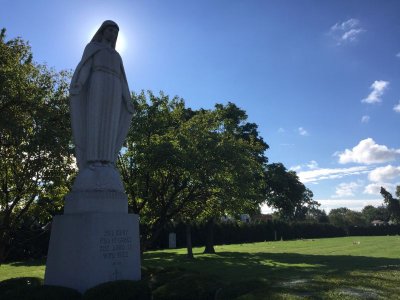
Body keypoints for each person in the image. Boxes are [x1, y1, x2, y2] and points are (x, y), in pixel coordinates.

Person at [69, 20, 134, 170]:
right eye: (110, 30)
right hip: (98, 82)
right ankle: (93, 159)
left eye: (115, 32)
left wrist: (127, 99)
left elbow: (123, 80)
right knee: (95, 119)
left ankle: (107, 159)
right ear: (103, 31)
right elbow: (86, 67)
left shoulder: (117, 56)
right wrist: (80, 83)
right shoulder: (93, 47)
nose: (113, 34)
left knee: (111, 122)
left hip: (115, 87)